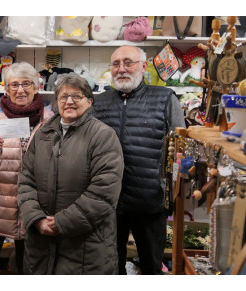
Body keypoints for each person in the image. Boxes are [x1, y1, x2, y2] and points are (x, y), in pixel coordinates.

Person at [93, 45, 186, 275]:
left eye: (128, 62)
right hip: (109, 203)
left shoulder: (164, 98)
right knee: (110, 266)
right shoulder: (100, 102)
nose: (121, 69)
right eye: (116, 64)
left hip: (150, 202)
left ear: (143, 66)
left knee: (151, 266)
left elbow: (181, 145)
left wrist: (172, 190)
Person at [17, 74, 124, 275]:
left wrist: (62, 222)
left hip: (86, 247)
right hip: (42, 244)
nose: (69, 102)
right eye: (63, 97)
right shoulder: (43, 134)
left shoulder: (103, 135)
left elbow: (104, 192)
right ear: (56, 102)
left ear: (90, 101)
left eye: (77, 96)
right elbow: (25, 180)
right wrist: (36, 218)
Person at [0, 62, 54, 274]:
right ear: (6, 90)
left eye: (26, 84)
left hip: (34, 212)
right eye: (14, 85)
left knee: (30, 271)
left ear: (36, 87)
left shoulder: (51, 123)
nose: (20, 90)